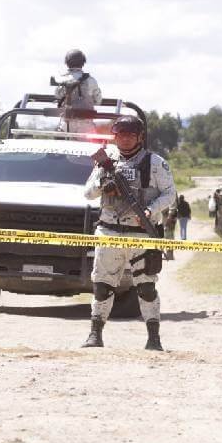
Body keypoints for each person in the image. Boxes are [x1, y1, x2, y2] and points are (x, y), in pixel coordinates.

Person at [81, 115, 176, 350]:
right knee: (102, 286)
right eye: (120, 135)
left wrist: (149, 209)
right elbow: (88, 193)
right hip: (109, 231)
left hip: (141, 233)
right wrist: (103, 185)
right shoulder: (105, 162)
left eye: (130, 135)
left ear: (140, 137)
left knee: (146, 287)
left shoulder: (155, 163)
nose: (124, 139)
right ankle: (95, 334)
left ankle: (153, 338)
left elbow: (170, 194)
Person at [55, 48, 102, 133]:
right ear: (83, 62)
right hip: (86, 124)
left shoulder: (62, 79)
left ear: (67, 63)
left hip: (66, 122)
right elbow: (98, 101)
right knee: (89, 146)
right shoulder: (91, 80)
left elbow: (58, 96)